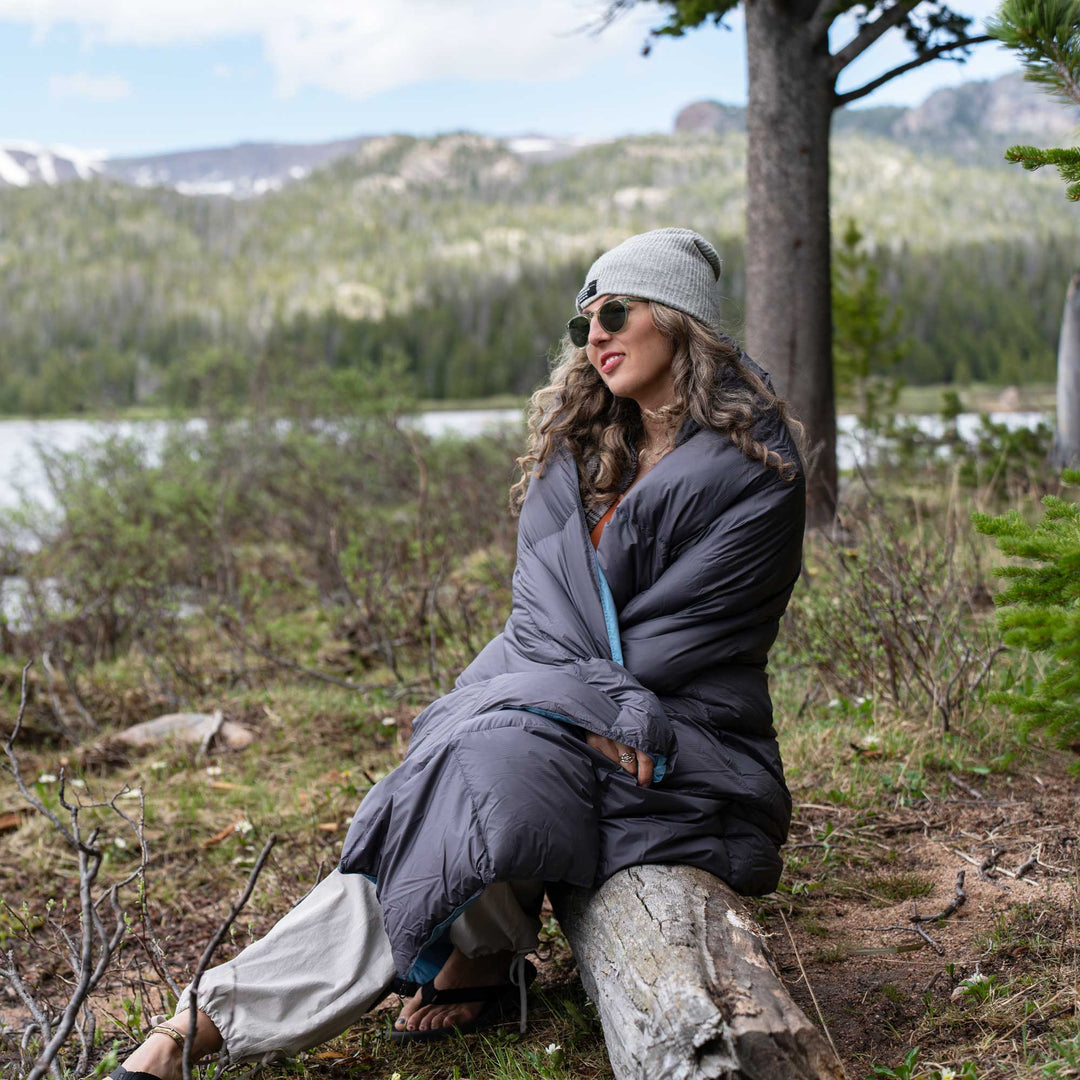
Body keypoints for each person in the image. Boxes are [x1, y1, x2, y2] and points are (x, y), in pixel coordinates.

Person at [111, 227, 805, 1079]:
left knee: (483, 747)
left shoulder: (755, 474)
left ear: (678, 320)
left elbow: (680, 641)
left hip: (681, 741)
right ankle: (215, 1016)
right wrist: (545, 701)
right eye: (583, 319)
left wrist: (539, 700)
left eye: (616, 310)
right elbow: (541, 623)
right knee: (484, 755)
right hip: (569, 711)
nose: (595, 334)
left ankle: (210, 1025)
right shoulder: (579, 456)